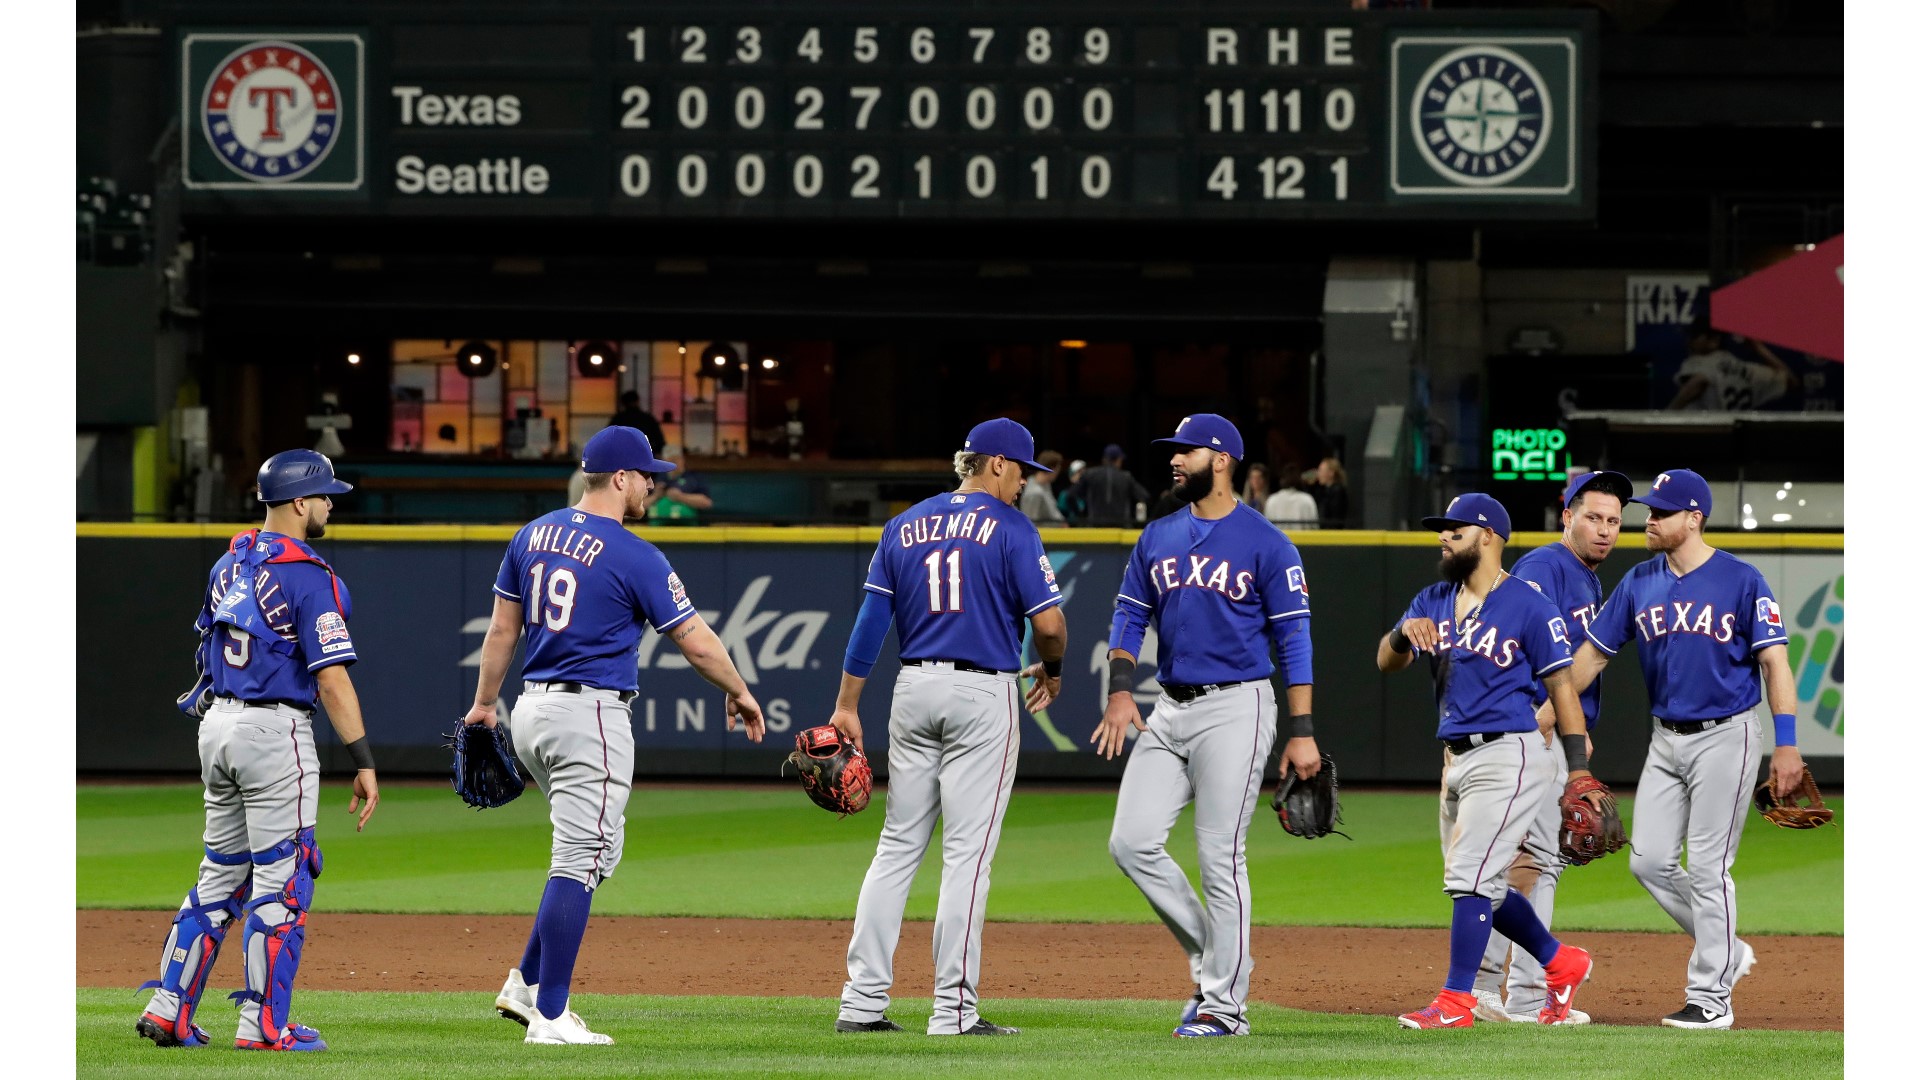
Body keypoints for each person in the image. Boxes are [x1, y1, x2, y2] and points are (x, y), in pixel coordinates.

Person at [461, 427, 765, 1046]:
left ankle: (525, 984)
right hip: (589, 716)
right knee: (579, 859)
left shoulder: (531, 535)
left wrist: (484, 705)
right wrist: (738, 690)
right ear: (619, 478)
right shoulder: (634, 553)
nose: (654, 483)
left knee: (595, 853)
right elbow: (696, 641)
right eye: (647, 474)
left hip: (533, 714)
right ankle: (550, 1016)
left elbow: (500, 633)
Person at [136, 449, 380, 1052]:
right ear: (299, 502)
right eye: (325, 496)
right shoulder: (309, 576)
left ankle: (169, 1007)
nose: (330, 505)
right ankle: (265, 1025)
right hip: (274, 734)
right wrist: (365, 760)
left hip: (217, 725)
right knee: (283, 881)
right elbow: (332, 679)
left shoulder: (230, 562)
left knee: (219, 875)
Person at [832, 418, 1068, 1036]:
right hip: (982, 692)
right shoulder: (1013, 528)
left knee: (896, 847)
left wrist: (846, 705)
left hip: (912, 689)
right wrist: (1058, 669)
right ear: (994, 465)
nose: (1023, 484)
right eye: (1021, 471)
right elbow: (1049, 628)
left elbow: (868, 626)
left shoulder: (903, 524)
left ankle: (861, 1003)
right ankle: (954, 1010)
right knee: (967, 855)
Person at [1094, 414, 1321, 1038]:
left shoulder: (1268, 543)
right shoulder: (1158, 536)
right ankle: (1212, 960)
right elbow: (1126, 622)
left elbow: (1295, 643)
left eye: (1184, 451)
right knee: (1130, 842)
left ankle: (1226, 1006)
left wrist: (1301, 730)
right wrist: (1119, 693)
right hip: (1169, 708)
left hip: (1236, 707)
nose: (1173, 460)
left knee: (1220, 855)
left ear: (1220, 459)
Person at [1545, 469, 1794, 1029]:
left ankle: (1711, 997)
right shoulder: (1639, 581)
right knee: (1649, 861)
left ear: (1694, 518)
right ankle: (1725, 946)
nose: (1648, 520)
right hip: (1666, 740)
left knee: (1708, 869)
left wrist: (1788, 745)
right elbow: (1591, 657)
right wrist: (1544, 717)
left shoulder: (1742, 579)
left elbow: (1775, 662)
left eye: (1660, 512)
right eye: (1649, 511)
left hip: (1727, 736)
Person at [1376, 492, 1597, 1030]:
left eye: (1456, 528)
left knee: (1470, 879)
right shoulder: (1431, 598)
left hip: (1510, 752)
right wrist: (1402, 634)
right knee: (1487, 885)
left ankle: (1456, 1002)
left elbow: (1563, 692)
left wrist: (1578, 769)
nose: (1444, 536)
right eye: (1443, 528)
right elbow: (1386, 661)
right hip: (1455, 758)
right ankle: (1561, 962)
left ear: (1489, 536)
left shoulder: (1528, 604)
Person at [1469, 470, 1631, 1026]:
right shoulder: (1545, 566)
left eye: (1614, 521)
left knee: (1524, 863)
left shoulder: (1584, 576)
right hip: (1533, 733)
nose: (1605, 530)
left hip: (1545, 733)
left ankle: (1504, 992)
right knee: (1527, 862)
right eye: (1593, 517)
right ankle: (1512, 994)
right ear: (1567, 516)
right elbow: (1516, 644)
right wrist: (1551, 722)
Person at [1667, 324, 1798, 412]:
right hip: (1735, 438)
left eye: (1695, 336)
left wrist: (1667, 415)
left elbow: (1699, 381)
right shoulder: (1749, 370)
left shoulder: (1700, 361)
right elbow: (1792, 382)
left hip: (1705, 435)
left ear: (1714, 340)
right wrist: (1759, 348)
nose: (1689, 341)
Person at [1069, 444, 1152, 526]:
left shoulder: (1090, 474)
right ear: (1119, 460)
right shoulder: (1125, 477)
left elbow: (1071, 495)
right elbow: (1144, 496)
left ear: (1104, 459)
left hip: (1095, 528)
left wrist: (1081, 515)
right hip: (1120, 529)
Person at [644, 444, 713, 525]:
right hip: (657, 528)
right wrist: (656, 496)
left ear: (682, 459)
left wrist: (680, 497)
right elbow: (639, 506)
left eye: (675, 460)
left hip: (685, 527)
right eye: (668, 460)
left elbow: (707, 503)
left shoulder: (693, 478)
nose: (672, 464)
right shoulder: (655, 480)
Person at [608, 389, 667, 463]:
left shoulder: (618, 419)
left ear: (623, 403)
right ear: (638, 401)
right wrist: (657, 453)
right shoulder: (648, 418)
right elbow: (660, 440)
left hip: (623, 458)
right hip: (646, 458)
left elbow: (608, 440)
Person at [1264, 462, 1319, 531]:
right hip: (1302, 540)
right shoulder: (1307, 499)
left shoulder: (1272, 500)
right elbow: (1315, 527)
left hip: (1280, 540)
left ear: (1282, 479)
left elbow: (1267, 527)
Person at [1019, 449, 1067, 524]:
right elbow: (1031, 523)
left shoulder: (1045, 485)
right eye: (1057, 470)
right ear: (1052, 468)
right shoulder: (1034, 493)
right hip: (1047, 533)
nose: (1058, 474)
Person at [1311, 456, 1350, 528]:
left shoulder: (1338, 492)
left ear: (1331, 473)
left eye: (1321, 471)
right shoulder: (1324, 491)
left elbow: (1335, 518)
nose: (1318, 474)